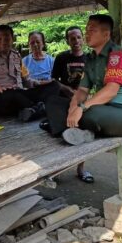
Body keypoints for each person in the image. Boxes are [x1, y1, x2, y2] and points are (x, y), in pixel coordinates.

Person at [46, 15, 122, 145]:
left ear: (106, 35)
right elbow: (82, 91)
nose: (87, 34)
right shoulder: (90, 59)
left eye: (92, 30)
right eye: (86, 30)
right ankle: (75, 131)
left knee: (90, 112)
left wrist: (81, 108)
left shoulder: (117, 54)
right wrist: (72, 108)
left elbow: (111, 90)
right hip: (103, 108)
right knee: (54, 101)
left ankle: (67, 128)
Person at [0, 25, 59, 121]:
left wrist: (40, 83)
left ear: (12, 39)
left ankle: (32, 110)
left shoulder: (16, 56)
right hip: (0, 99)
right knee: (11, 94)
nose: (3, 42)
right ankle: (38, 108)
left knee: (54, 85)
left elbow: (26, 81)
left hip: (19, 94)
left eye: (7, 39)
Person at [46, 26, 94, 183]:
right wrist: (68, 90)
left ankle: (81, 169)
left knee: (82, 135)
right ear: (67, 41)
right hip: (63, 102)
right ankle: (57, 170)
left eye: (79, 37)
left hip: (83, 104)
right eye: (72, 38)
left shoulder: (91, 58)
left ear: (83, 39)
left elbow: (96, 82)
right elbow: (54, 81)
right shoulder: (61, 58)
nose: (76, 41)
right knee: (62, 135)